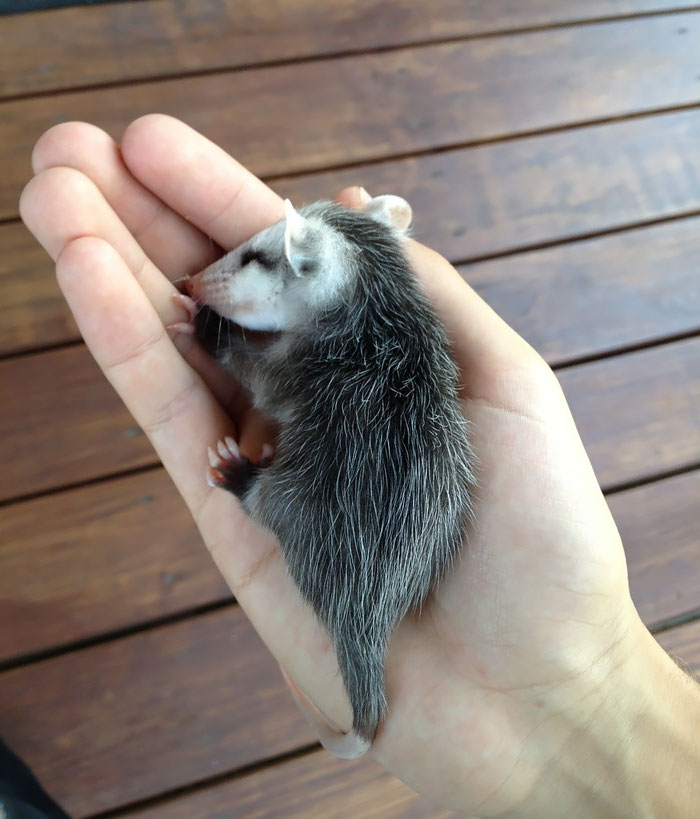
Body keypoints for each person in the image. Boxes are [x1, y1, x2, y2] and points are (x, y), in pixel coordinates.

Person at [19, 115, 699, 817]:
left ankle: (254, 494)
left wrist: (217, 348)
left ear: (307, 271)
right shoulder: (383, 322)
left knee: (289, 498)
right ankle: (354, 697)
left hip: (329, 527)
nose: (213, 277)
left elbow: (273, 384)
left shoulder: (317, 341)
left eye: (249, 262)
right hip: (410, 534)